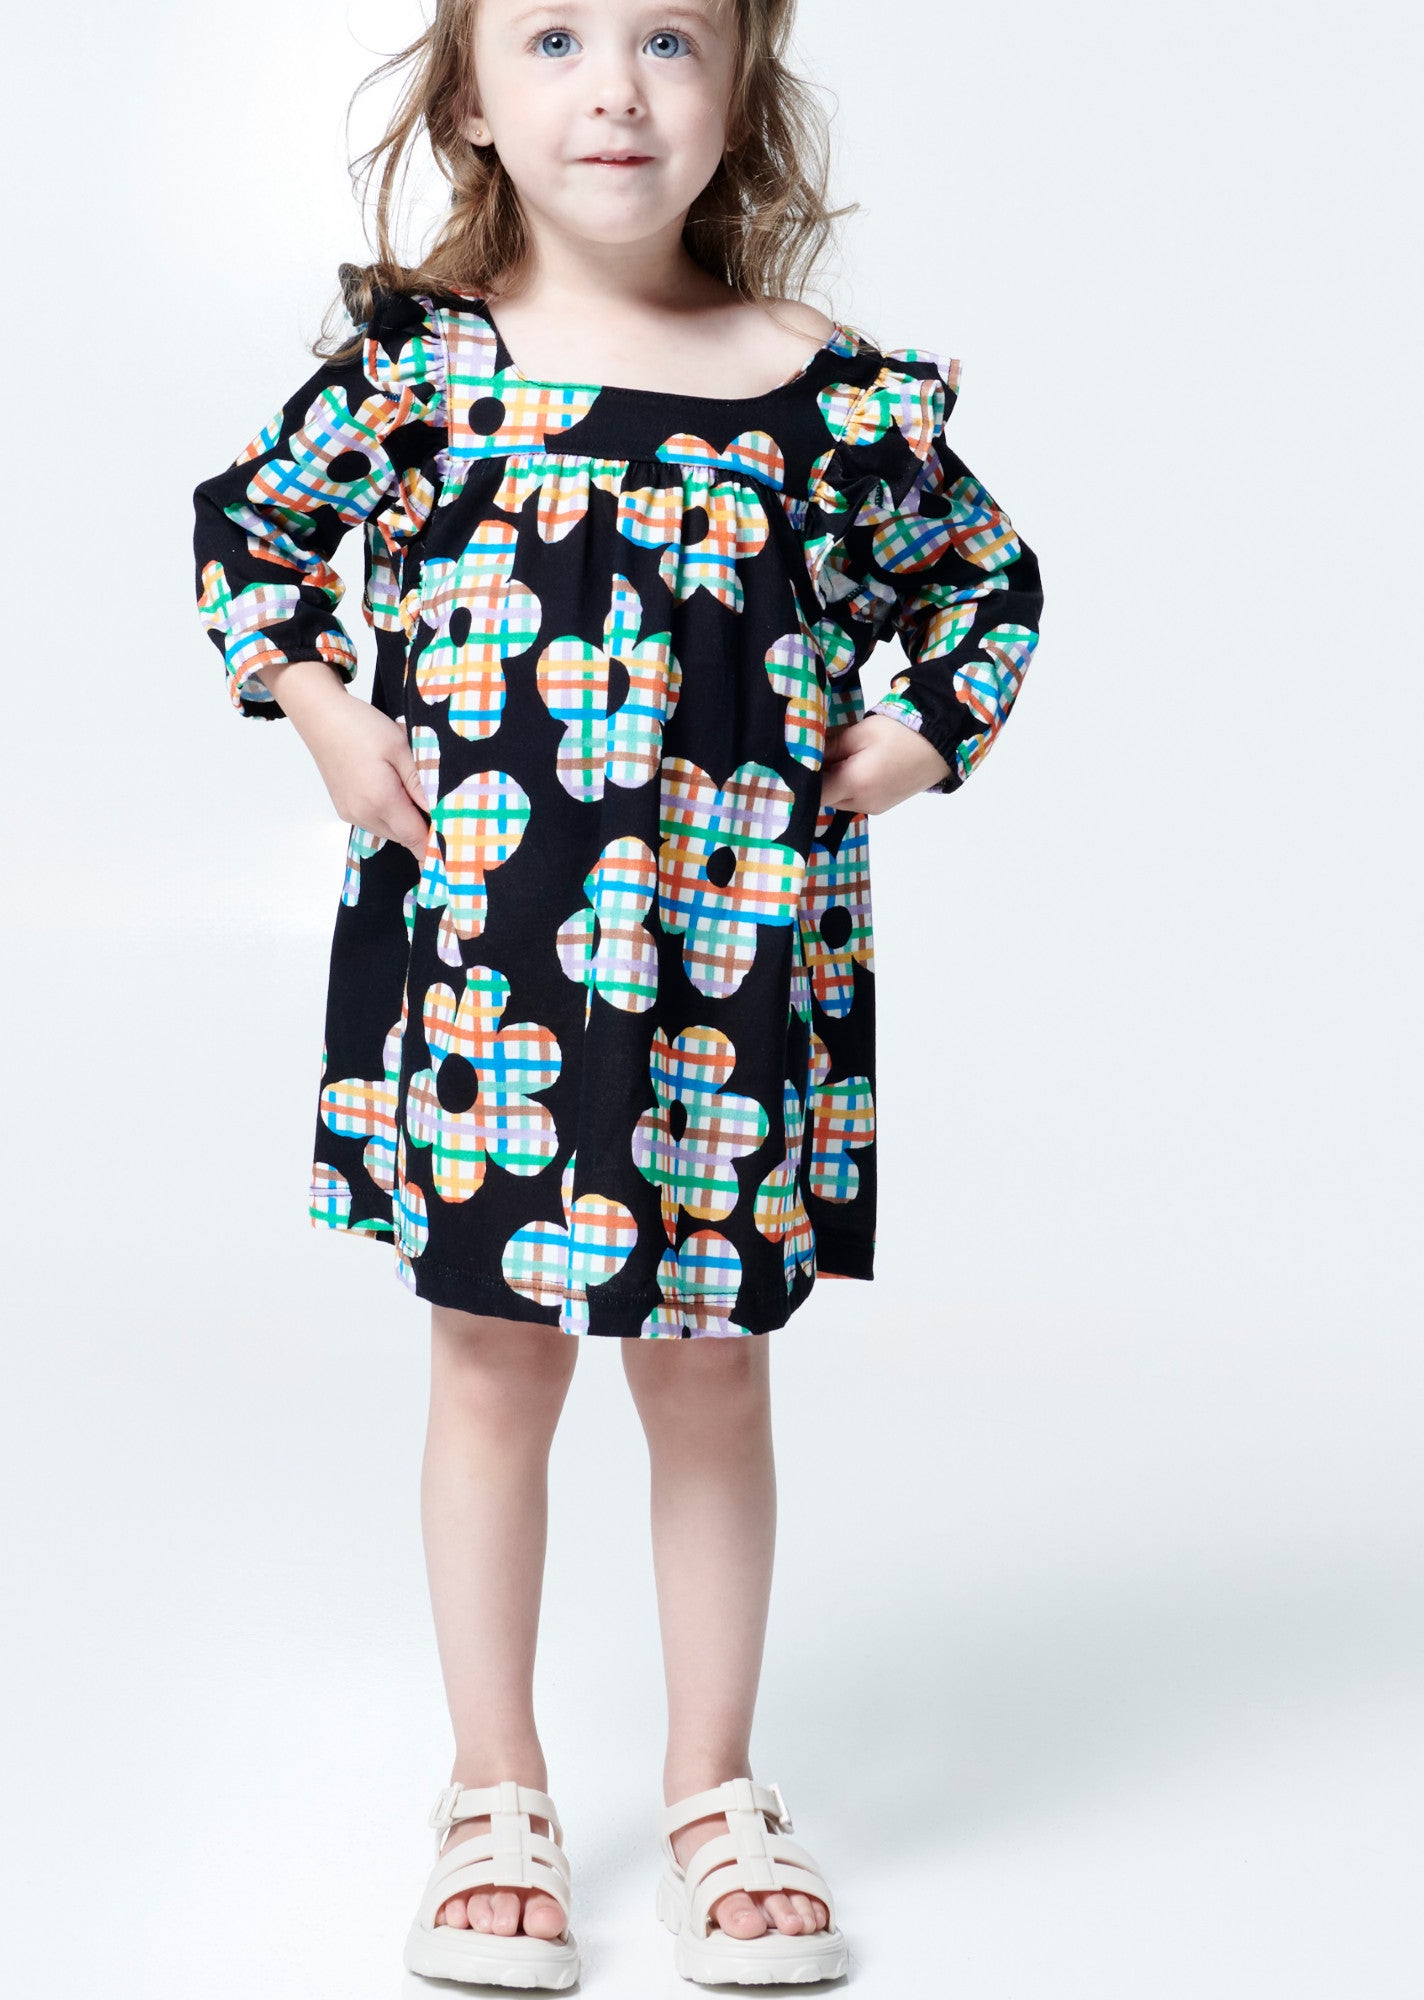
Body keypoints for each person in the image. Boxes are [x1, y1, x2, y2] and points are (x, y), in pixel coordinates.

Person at [189, 0, 1043, 1984]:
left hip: (728, 973)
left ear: (741, 87)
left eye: (669, 38)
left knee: (710, 1367)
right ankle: (492, 1784)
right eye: (557, 35)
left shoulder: (828, 393)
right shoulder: (421, 369)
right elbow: (249, 535)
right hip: (487, 962)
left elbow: (982, 587)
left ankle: (713, 1787)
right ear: (474, 95)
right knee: (494, 1357)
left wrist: (921, 735)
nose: (614, 89)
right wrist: (319, 706)